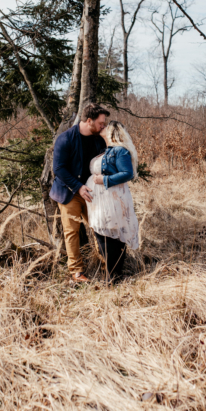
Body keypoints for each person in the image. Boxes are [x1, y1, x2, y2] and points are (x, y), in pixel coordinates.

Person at [50, 103, 109, 283]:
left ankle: (108, 265)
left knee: (100, 226)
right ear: (89, 120)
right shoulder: (65, 138)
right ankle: (77, 272)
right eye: (100, 123)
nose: (103, 126)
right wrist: (78, 187)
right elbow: (58, 168)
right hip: (70, 192)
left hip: (92, 192)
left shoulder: (100, 139)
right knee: (72, 231)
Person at [85, 120, 140, 282]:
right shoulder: (106, 151)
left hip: (112, 198)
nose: (102, 127)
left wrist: (104, 179)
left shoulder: (120, 151)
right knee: (105, 233)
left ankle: (113, 276)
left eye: (106, 126)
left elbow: (127, 173)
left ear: (112, 132)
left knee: (112, 234)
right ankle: (114, 275)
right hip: (100, 200)